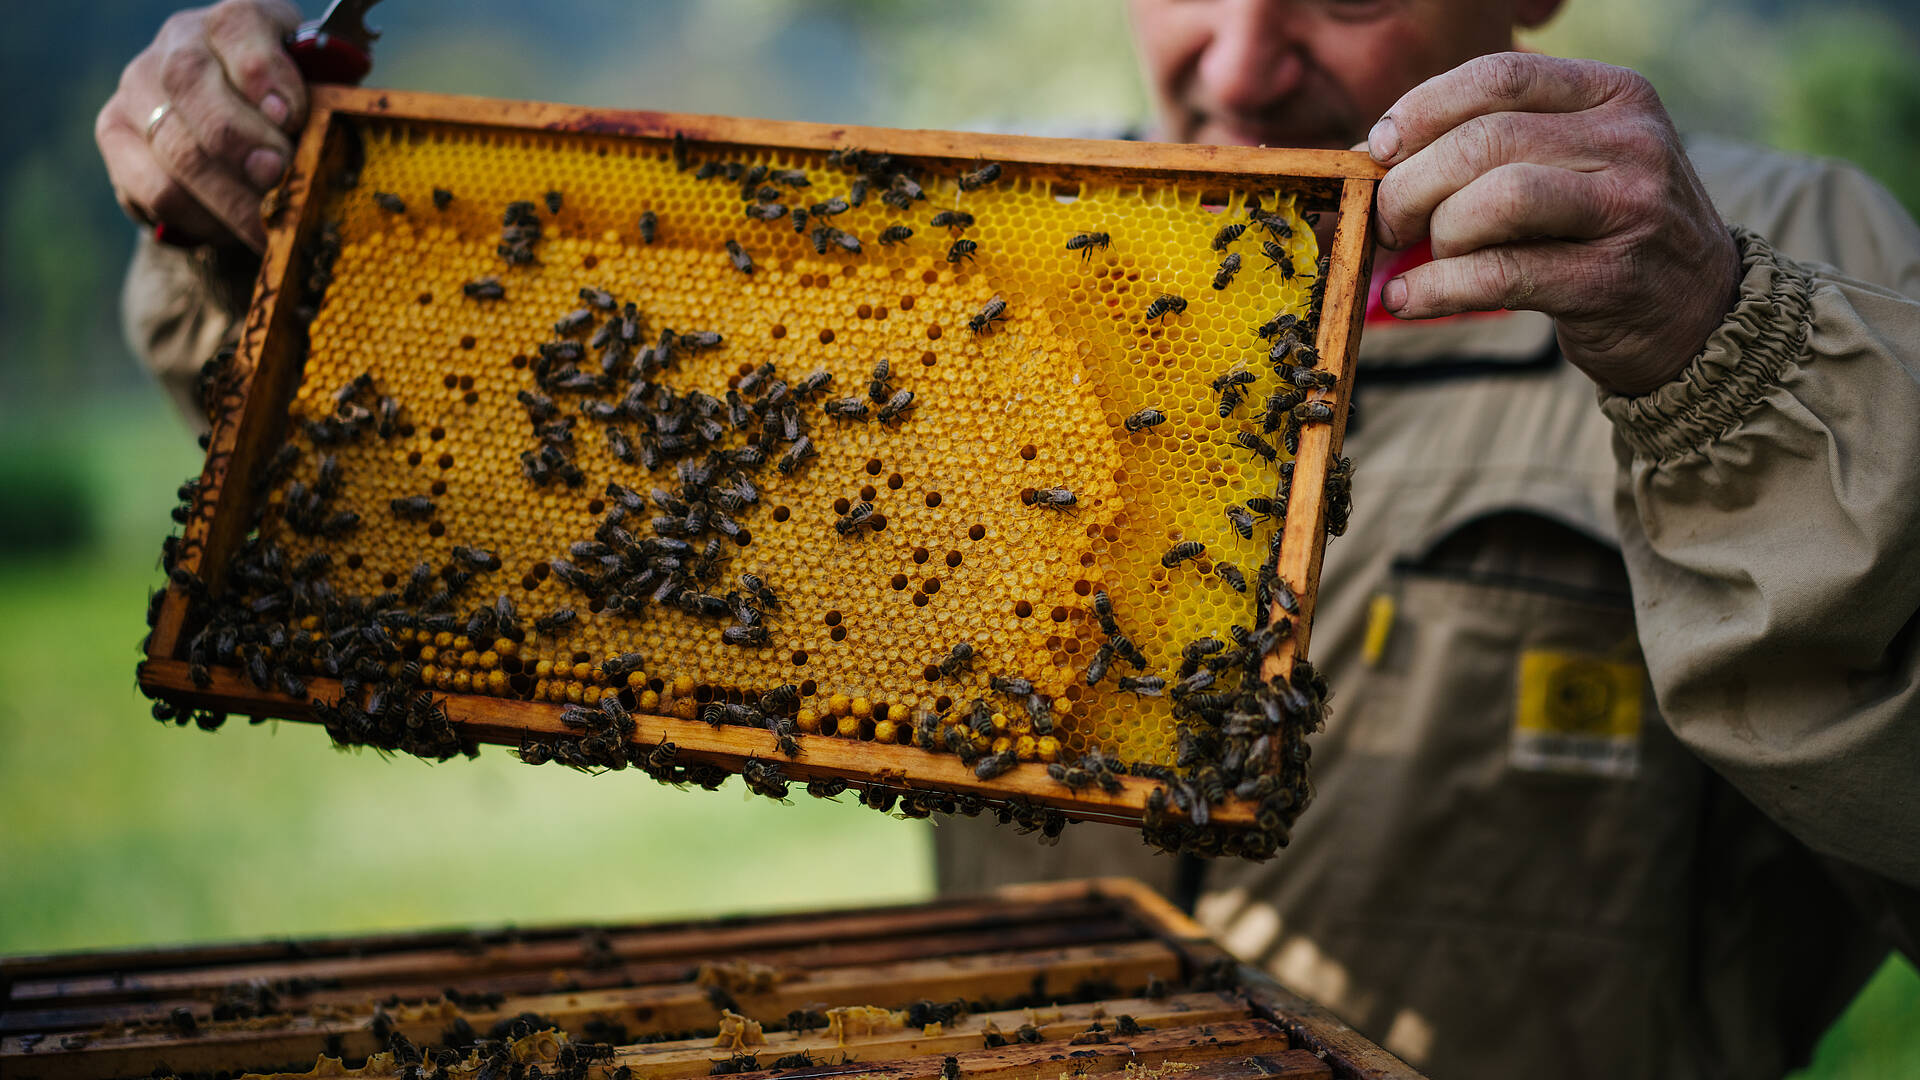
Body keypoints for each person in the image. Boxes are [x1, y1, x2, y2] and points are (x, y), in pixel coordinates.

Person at [98, 1, 1920, 1076]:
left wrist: (1725, 362)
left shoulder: (1780, 262)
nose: (1242, 53)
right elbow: (488, 470)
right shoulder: (974, 250)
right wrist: (249, 228)